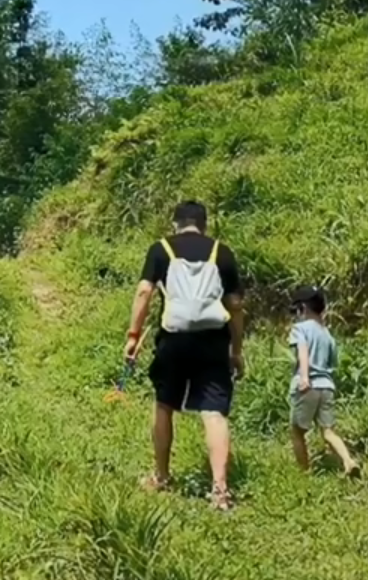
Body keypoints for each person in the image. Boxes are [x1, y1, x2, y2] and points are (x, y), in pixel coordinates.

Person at [124, 200, 245, 510]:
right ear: (204, 224)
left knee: (164, 405)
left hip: (174, 340)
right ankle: (220, 490)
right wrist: (237, 349)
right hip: (213, 341)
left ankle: (162, 477)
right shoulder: (223, 252)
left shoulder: (161, 249)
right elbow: (235, 306)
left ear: (175, 223)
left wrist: (133, 335)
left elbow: (143, 293)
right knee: (214, 412)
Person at [287, 285, 360, 477]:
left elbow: (302, 350)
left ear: (303, 308)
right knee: (328, 431)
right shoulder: (327, 334)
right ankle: (348, 461)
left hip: (307, 384)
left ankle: (305, 473)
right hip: (326, 386)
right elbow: (333, 362)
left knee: (297, 432)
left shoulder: (300, 328)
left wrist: (304, 376)